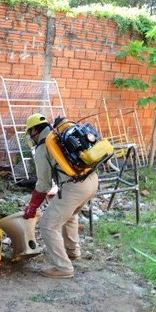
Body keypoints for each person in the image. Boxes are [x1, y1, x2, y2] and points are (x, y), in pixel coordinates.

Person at [23, 113, 99, 279]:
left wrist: (32, 207)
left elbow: (43, 185)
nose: (31, 136)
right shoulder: (58, 137)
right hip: (92, 181)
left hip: (76, 187)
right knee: (70, 215)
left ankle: (64, 268)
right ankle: (72, 251)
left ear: (35, 130)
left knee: (48, 225)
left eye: (30, 132)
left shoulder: (44, 147)